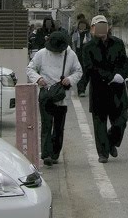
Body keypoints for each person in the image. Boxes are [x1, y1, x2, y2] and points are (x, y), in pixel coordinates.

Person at [27, 30, 82, 167]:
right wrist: (38, 78)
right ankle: (46, 154)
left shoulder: (71, 55)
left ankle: (55, 153)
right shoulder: (41, 53)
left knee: (59, 125)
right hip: (46, 92)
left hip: (61, 94)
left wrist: (69, 79)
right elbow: (30, 69)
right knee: (46, 124)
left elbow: (78, 71)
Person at [81, 15, 128, 164]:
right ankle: (103, 153)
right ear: (92, 29)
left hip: (117, 90)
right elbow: (90, 68)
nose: (102, 28)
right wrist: (110, 77)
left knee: (122, 120)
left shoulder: (118, 43)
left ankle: (111, 142)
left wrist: (122, 75)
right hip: (99, 89)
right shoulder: (88, 48)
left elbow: (124, 63)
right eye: (98, 25)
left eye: (104, 25)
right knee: (100, 124)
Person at [71, 18, 92, 97]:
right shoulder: (75, 33)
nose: (82, 26)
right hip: (78, 55)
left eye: (84, 25)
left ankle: (83, 87)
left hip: (88, 56)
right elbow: (72, 43)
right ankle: (81, 90)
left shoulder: (89, 34)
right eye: (81, 25)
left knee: (87, 74)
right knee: (80, 72)